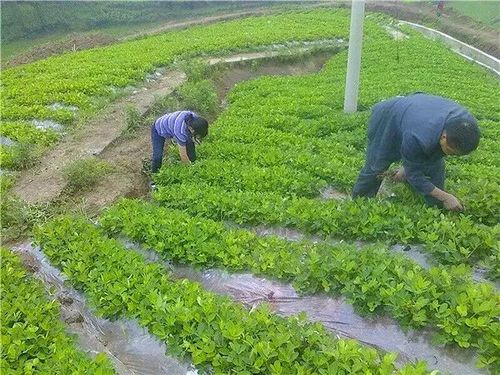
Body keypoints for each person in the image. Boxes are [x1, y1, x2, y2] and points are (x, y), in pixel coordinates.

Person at [352, 93, 480, 211]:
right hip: (389, 116)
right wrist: (446, 197)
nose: (450, 156)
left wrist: (406, 168)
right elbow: (414, 174)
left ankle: (435, 208)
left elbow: (432, 157)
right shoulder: (418, 137)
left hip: (418, 114)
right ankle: (360, 204)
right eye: (450, 152)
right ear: (443, 137)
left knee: (434, 164)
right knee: (377, 164)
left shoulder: (467, 124)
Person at [150, 110, 208, 175]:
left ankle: (193, 161)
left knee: (190, 143)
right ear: (191, 129)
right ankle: (154, 177)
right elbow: (183, 155)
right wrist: (192, 171)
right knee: (157, 156)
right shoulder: (180, 131)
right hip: (158, 129)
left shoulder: (195, 119)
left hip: (171, 124)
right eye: (197, 135)